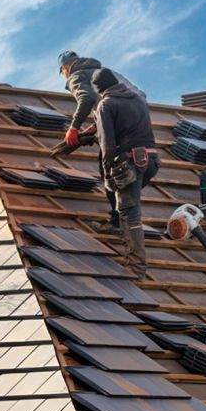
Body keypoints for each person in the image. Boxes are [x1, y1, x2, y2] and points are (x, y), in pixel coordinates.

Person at [57, 51, 146, 234]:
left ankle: (117, 222)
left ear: (65, 68)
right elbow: (134, 98)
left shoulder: (76, 75)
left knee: (109, 168)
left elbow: (86, 98)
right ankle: (125, 219)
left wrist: (74, 128)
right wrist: (96, 126)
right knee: (127, 170)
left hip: (121, 128)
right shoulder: (105, 71)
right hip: (139, 120)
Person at [91, 68, 159, 281]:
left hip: (129, 161)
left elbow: (108, 146)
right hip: (152, 161)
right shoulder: (138, 100)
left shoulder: (106, 104)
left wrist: (108, 175)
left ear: (99, 90)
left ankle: (136, 268)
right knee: (129, 204)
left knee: (129, 212)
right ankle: (122, 235)